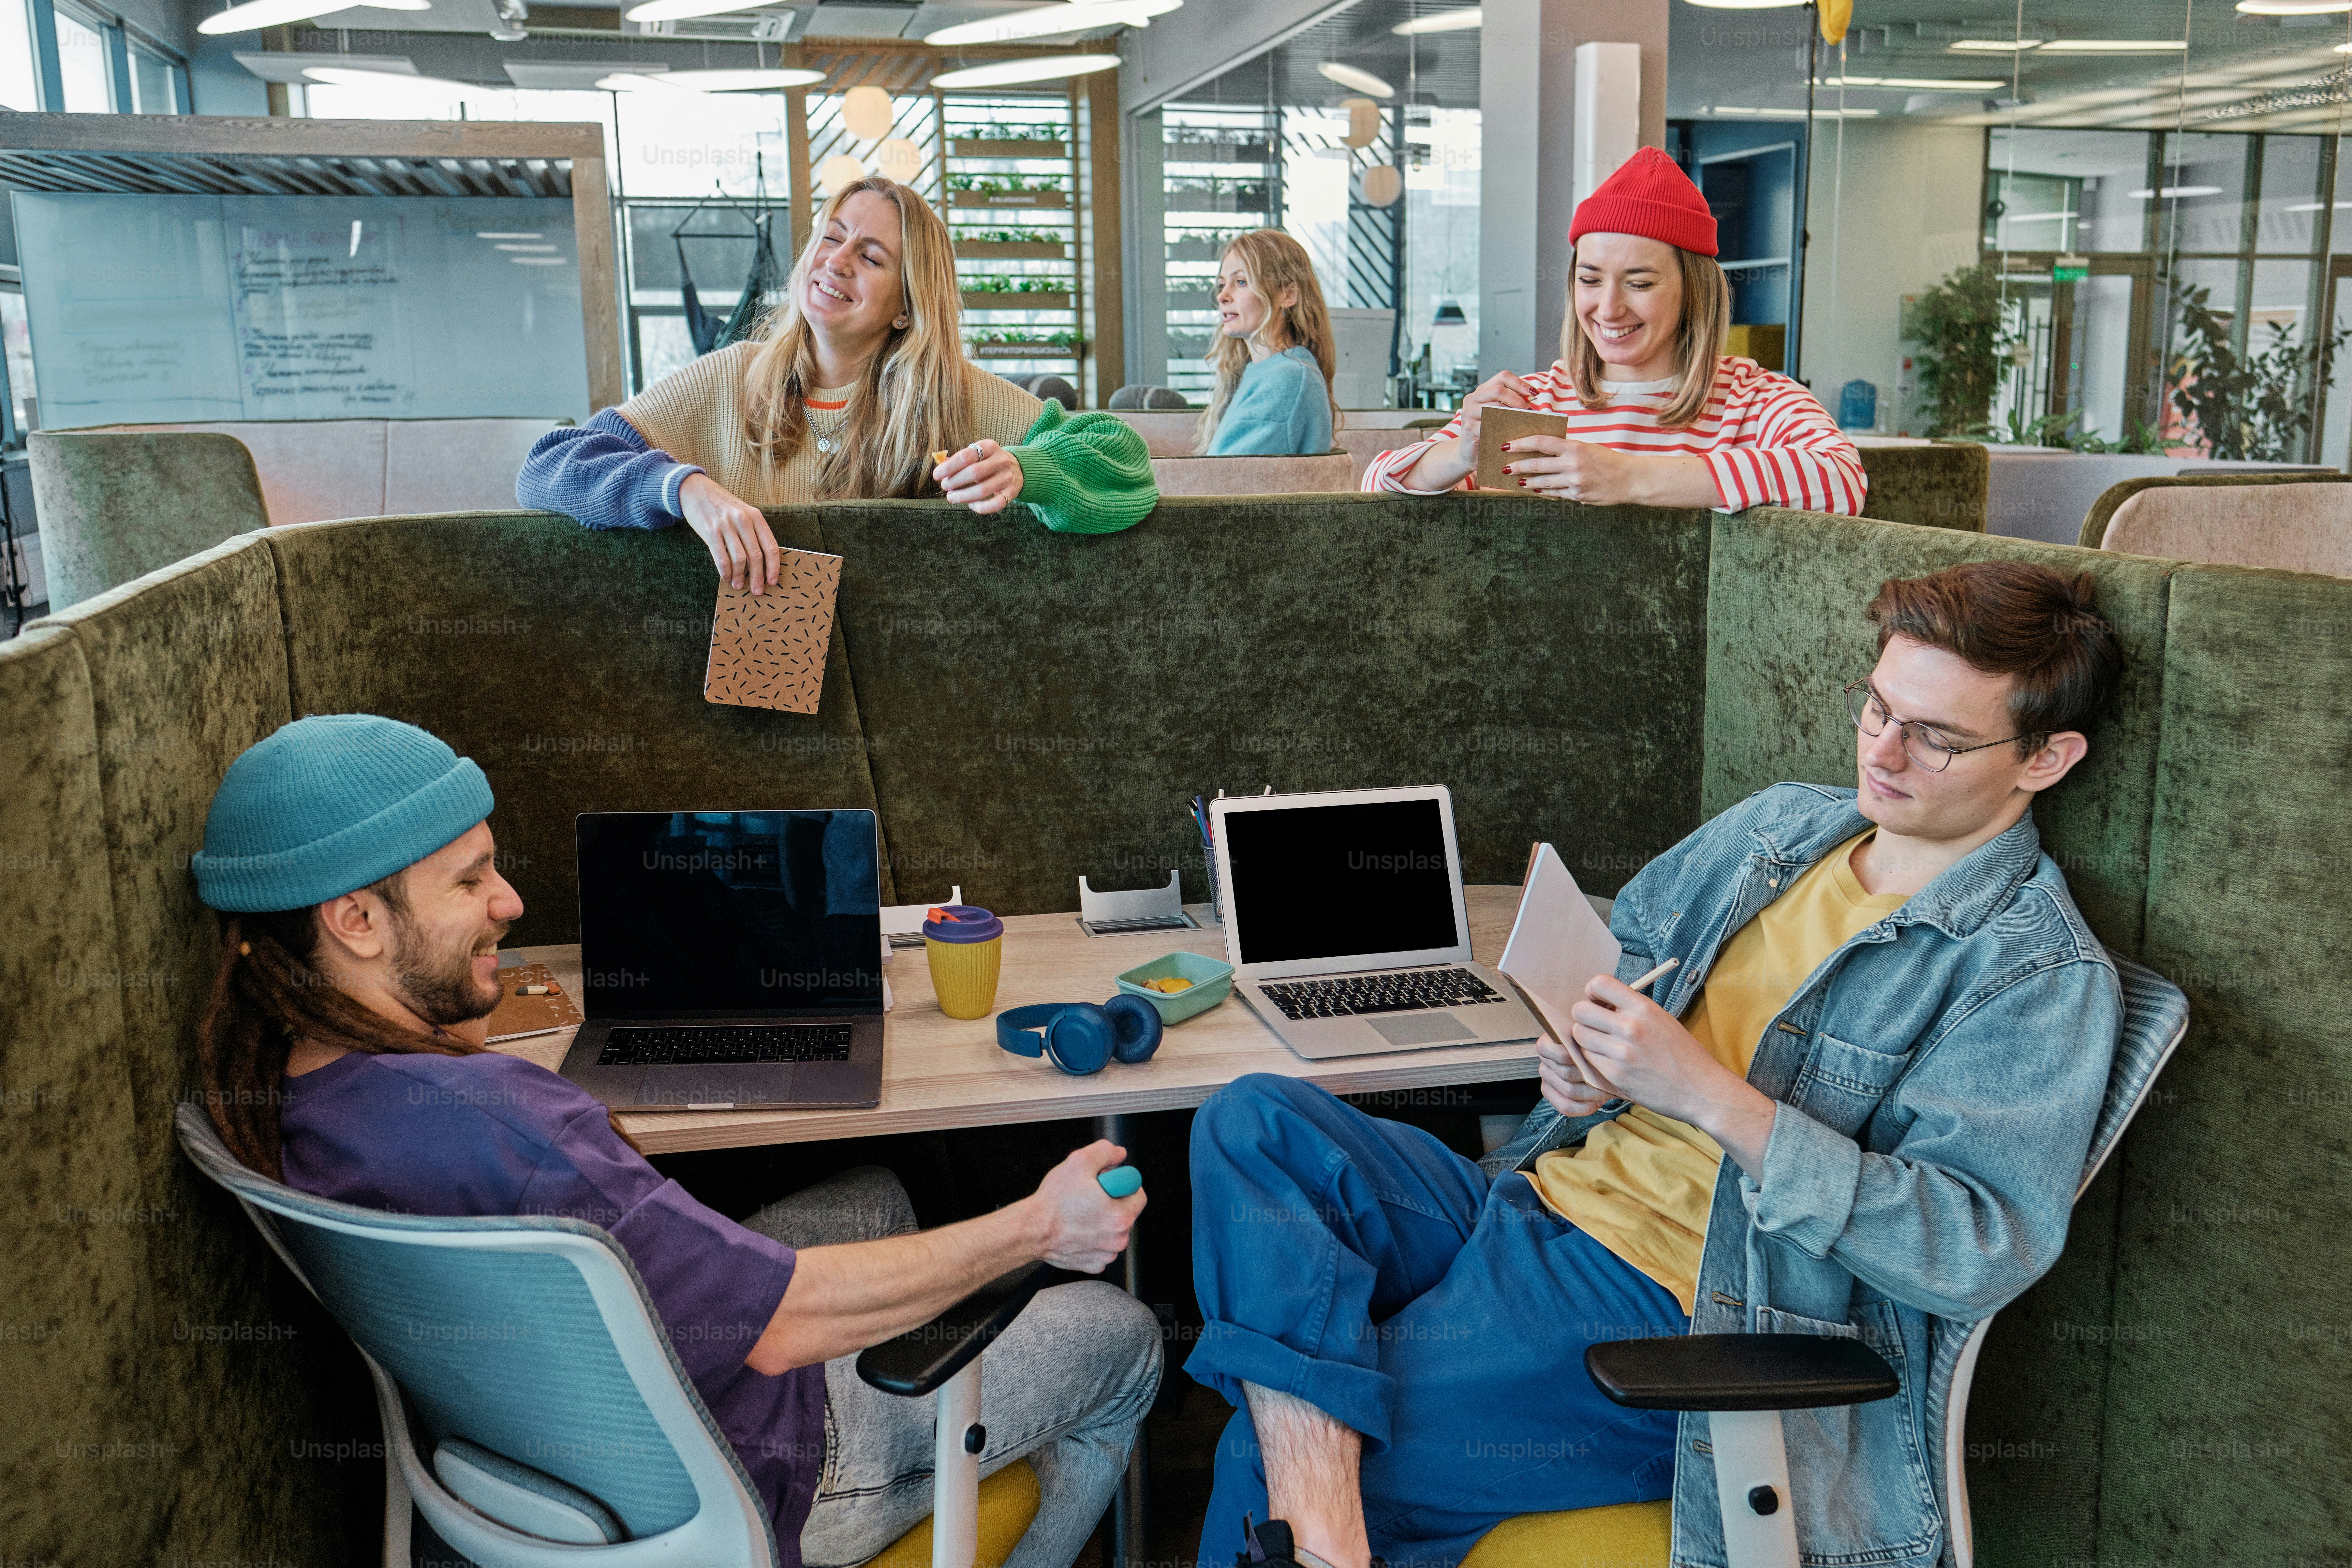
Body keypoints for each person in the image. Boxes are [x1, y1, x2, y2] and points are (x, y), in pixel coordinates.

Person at [1183, 561, 2125, 1568]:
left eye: (1934, 736)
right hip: (1532, 1193)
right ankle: (1324, 1525)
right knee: (1253, 1121)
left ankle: (1317, 1520)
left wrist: (1707, 1094)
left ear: (2045, 757)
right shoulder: (1781, 828)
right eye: (1876, 708)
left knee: (1278, 1438)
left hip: (1677, 1301)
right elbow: (1633, 946)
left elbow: (1974, 1245)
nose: (1883, 752)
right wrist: (1584, 1061)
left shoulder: (2033, 973)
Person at [189, 714, 1162, 1568]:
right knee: (1124, 1337)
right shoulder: (512, 1126)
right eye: (468, 880)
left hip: (545, 1440)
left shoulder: (280, 1090)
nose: (510, 901)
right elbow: (782, 1325)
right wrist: (1038, 1226)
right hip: (751, 1470)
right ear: (356, 919)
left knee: (877, 1190)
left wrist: (443, 1008)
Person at [519, 177, 1158, 595]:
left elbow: (1124, 462)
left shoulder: (955, 394)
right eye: (831, 237)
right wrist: (682, 487)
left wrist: (1029, 469)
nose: (837, 260)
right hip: (758, 702)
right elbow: (549, 465)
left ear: (907, 304)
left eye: (871, 256)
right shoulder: (729, 373)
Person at [1362, 146, 1866, 515]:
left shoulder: (1753, 399)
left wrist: (1625, 477)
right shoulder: (1536, 402)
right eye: (1589, 279)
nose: (1608, 308)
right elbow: (1372, 491)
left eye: (1639, 283)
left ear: (1693, 290)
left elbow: (1841, 481)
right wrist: (1459, 454)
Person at [1195, 229, 1338, 457]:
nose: (1222, 296)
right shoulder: (1262, 371)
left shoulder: (1287, 378)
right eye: (1222, 285)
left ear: (1288, 295)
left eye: (1241, 282)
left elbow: (1223, 480)